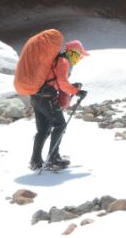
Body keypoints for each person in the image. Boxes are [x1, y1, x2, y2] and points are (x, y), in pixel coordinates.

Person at [29, 39, 90, 171]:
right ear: (73, 52)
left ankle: (35, 160)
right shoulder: (63, 61)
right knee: (60, 125)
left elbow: (57, 82)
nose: (80, 58)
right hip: (46, 99)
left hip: (36, 96)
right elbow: (62, 83)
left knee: (43, 130)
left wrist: (72, 88)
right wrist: (77, 91)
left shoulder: (56, 60)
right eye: (80, 55)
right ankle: (53, 158)